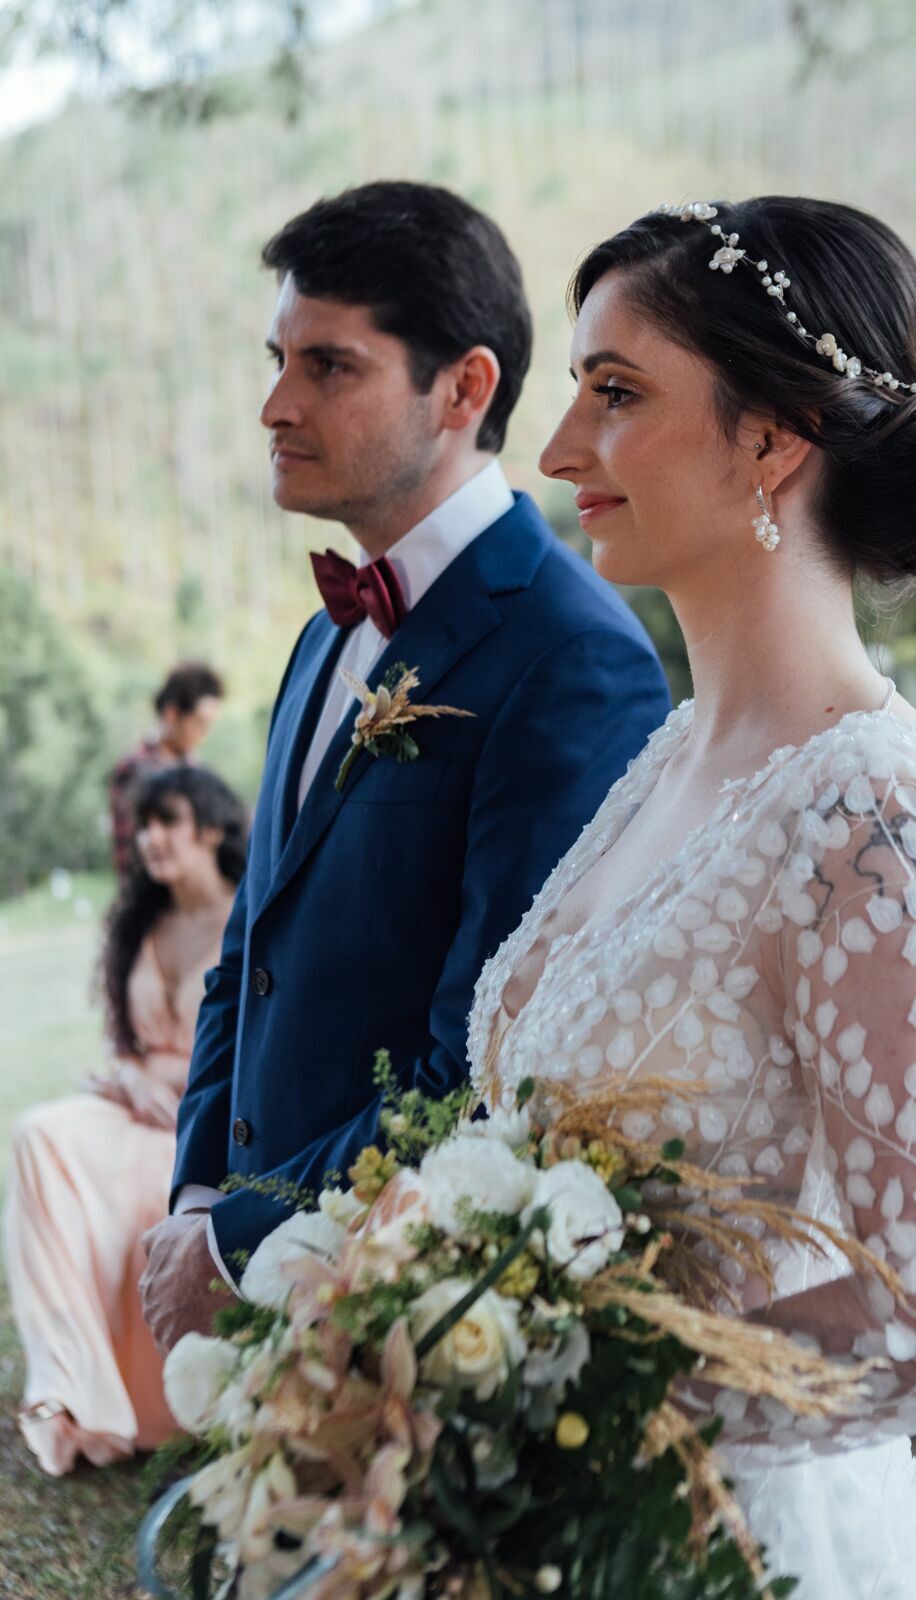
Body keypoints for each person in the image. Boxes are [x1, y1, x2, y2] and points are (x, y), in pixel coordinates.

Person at [464, 196, 916, 1599]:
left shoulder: (870, 809)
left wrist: (567, 1409)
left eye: (615, 394)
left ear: (770, 441)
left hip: (742, 1549)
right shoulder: (673, 757)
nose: (554, 451)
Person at [139, 182, 671, 1353]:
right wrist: (197, 1200)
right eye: (276, 357)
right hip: (271, 1276)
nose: (273, 403)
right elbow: (248, 955)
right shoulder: (323, 633)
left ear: (463, 389)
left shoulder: (571, 656)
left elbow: (489, 1061)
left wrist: (240, 1239)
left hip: (418, 1315)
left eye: (328, 365)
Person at [4, 767, 246, 1476]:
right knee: (40, 1134)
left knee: (149, 1192)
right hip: (130, 1107)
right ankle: (72, 1391)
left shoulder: (251, 913)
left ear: (211, 827)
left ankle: (159, 1404)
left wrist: (168, 1082)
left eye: (168, 821)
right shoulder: (141, 921)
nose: (150, 839)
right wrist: (134, 1074)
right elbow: (126, 1045)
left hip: (203, 1122)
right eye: (143, 825)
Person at [109, 661, 225, 875]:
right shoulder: (134, 770)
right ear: (172, 714)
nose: (203, 734)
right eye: (200, 723)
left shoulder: (197, 771)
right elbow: (130, 859)